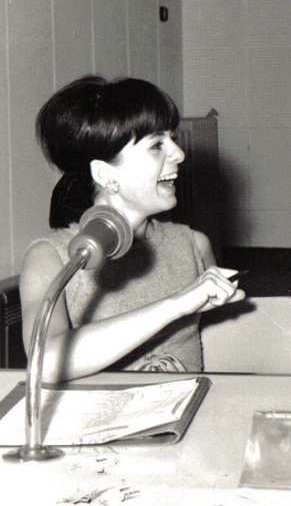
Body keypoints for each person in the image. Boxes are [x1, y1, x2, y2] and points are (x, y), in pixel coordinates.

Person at [19, 75, 245, 382]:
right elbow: (45, 362)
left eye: (173, 139)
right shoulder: (51, 258)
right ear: (104, 174)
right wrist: (175, 305)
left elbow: (217, 348)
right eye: (157, 145)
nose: (179, 154)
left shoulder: (193, 244)